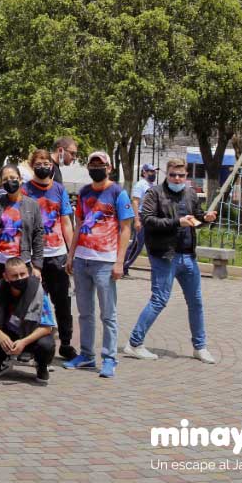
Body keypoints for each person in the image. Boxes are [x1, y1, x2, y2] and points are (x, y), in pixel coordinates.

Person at [124, 158, 218, 364]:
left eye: (181, 175)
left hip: (188, 255)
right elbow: (148, 220)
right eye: (173, 175)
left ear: (186, 176)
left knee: (196, 302)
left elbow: (195, 219)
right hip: (164, 255)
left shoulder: (190, 193)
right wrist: (177, 222)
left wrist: (206, 218)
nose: (177, 178)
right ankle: (134, 343)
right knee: (159, 300)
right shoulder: (155, 193)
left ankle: (200, 347)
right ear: (167, 174)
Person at [64, 151, 134, 379]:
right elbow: (79, 224)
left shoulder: (118, 193)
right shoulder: (84, 192)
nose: (96, 168)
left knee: (108, 314)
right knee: (85, 312)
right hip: (82, 259)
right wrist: (71, 255)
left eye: (100, 164)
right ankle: (86, 355)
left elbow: (126, 228)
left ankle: (109, 358)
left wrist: (120, 261)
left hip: (105, 261)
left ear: (109, 167)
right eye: (92, 164)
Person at [23, 149, 77, 360]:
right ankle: (30, 345)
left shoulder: (59, 190)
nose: (43, 166)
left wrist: (71, 253)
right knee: (32, 301)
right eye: (39, 163)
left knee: (62, 301)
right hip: (33, 256)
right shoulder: (25, 190)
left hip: (57, 254)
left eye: (47, 163)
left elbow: (66, 222)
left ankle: (65, 343)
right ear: (32, 165)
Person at [0, 256, 57, 384]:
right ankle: (1, 360)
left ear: (28, 273)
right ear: (6, 277)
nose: (20, 278)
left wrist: (24, 342)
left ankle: (42, 366)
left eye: (23, 274)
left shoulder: (38, 290)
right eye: (15, 276)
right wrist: (0, 335)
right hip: (7, 335)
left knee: (46, 344)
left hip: (30, 335)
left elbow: (47, 327)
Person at [0, 165, 45, 295]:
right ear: (1, 183)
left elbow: (38, 235)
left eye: (13, 178)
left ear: (20, 180)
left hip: (21, 264)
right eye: (5, 179)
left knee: (20, 302)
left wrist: (37, 266)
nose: (9, 181)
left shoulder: (32, 205)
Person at [123, 163, 157, 276]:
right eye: (150, 171)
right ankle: (123, 266)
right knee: (137, 244)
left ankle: (156, 269)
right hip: (142, 217)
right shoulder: (140, 185)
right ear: (144, 172)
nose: (153, 173)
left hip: (151, 218)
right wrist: (137, 220)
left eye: (154, 171)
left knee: (152, 244)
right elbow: (135, 202)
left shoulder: (152, 186)